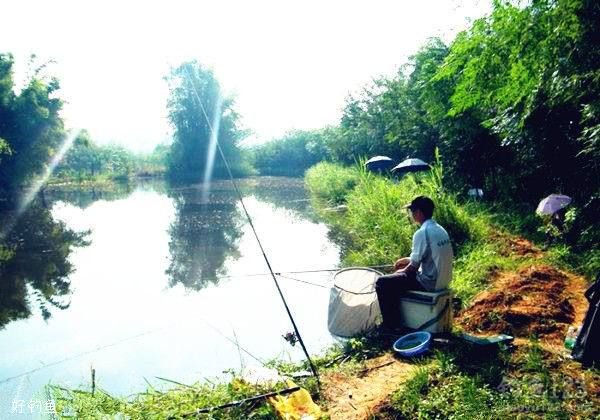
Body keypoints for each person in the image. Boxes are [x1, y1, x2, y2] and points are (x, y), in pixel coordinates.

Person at [375, 196, 454, 330]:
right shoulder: (439, 229)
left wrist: (401, 271)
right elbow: (425, 255)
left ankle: (391, 326)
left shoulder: (421, 233)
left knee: (382, 282)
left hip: (429, 283)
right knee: (398, 273)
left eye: (412, 211)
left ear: (418, 213)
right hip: (444, 280)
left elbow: (412, 268)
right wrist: (405, 261)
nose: (411, 215)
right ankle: (396, 320)